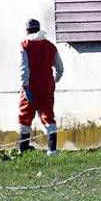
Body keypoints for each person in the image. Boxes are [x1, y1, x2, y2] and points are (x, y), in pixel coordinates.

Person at [18, 18, 64, 154]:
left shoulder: (25, 44)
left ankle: (23, 148)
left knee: (25, 115)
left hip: (30, 86)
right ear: (39, 29)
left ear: (27, 30)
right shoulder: (50, 46)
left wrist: (24, 86)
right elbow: (60, 68)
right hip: (47, 86)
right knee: (48, 115)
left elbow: (24, 68)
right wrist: (54, 80)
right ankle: (52, 150)